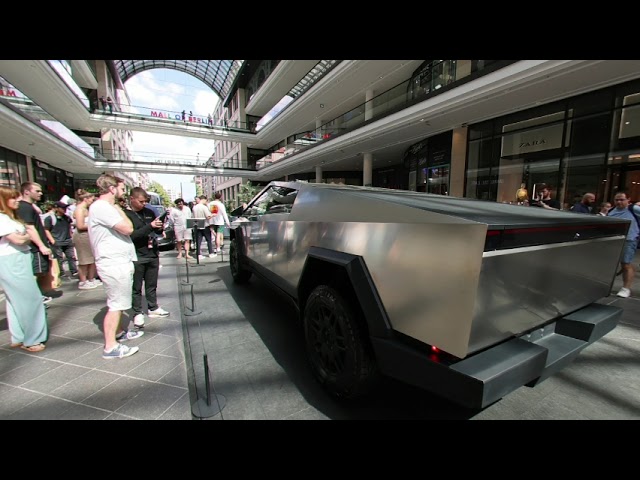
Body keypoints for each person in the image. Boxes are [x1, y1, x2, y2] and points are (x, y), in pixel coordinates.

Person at [88, 174, 143, 359]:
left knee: (117, 301)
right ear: (112, 189)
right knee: (116, 305)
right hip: (113, 262)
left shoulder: (102, 207)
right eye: (121, 189)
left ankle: (119, 333)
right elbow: (128, 228)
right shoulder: (103, 207)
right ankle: (110, 347)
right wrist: (118, 209)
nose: (123, 193)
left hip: (116, 261)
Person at [0, 187, 48, 353]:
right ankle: (33, 339)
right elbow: (19, 240)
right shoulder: (2, 218)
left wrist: (25, 237)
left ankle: (19, 336)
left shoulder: (8, 217)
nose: (16, 201)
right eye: (12, 198)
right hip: (12, 260)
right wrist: (27, 237)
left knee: (14, 301)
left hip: (15, 259)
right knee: (31, 299)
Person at [125, 187, 170, 330]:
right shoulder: (126, 215)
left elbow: (156, 231)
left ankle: (153, 307)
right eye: (141, 201)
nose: (144, 204)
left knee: (152, 283)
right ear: (132, 199)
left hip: (152, 252)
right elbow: (132, 235)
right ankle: (137, 312)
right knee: (136, 286)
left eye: (145, 201)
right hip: (137, 254)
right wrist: (150, 226)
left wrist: (159, 227)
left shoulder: (150, 212)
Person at [16, 182, 54, 304]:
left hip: (36, 246)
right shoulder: (25, 207)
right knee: (35, 273)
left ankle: (36, 296)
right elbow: (29, 228)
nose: (40, 193)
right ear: (26, 192)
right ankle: (34, 298)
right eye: (37, 191)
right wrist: (41, 246)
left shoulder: (28, 206)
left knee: (40, 272)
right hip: (34, 248)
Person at [606, 191, 640, 298]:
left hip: (629, 240)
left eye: (622, 199)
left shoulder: (633, 209)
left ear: (628, 200)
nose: (619, 202)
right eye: (617, 200)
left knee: (626, 264)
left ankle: (626, 288)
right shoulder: (611, 210)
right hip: (614, 240)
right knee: (612, 263)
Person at [73, 189, 101, 290]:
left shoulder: (86, 209)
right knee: (84, 259)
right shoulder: (79, 209)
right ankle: (83, 281)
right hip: (82, 236)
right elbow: (80, 225)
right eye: (91, 200)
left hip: (89, 235)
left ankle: (91, 279)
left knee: (91, 258)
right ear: (85, 199)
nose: (92, 202)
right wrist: (94, 225)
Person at [44, 201, 78, 278]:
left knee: (71, 257)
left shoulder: (67, 218)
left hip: (67, 240)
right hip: (57, 241)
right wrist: (52, 240)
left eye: (65, 208)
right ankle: (61, 273)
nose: (64, 209)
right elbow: (46, 230)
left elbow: (69, 227)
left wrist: (71, 237)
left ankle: (74, 271)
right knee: (59, 258)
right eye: (62, 208)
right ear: (57, 208)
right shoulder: (50, 218)